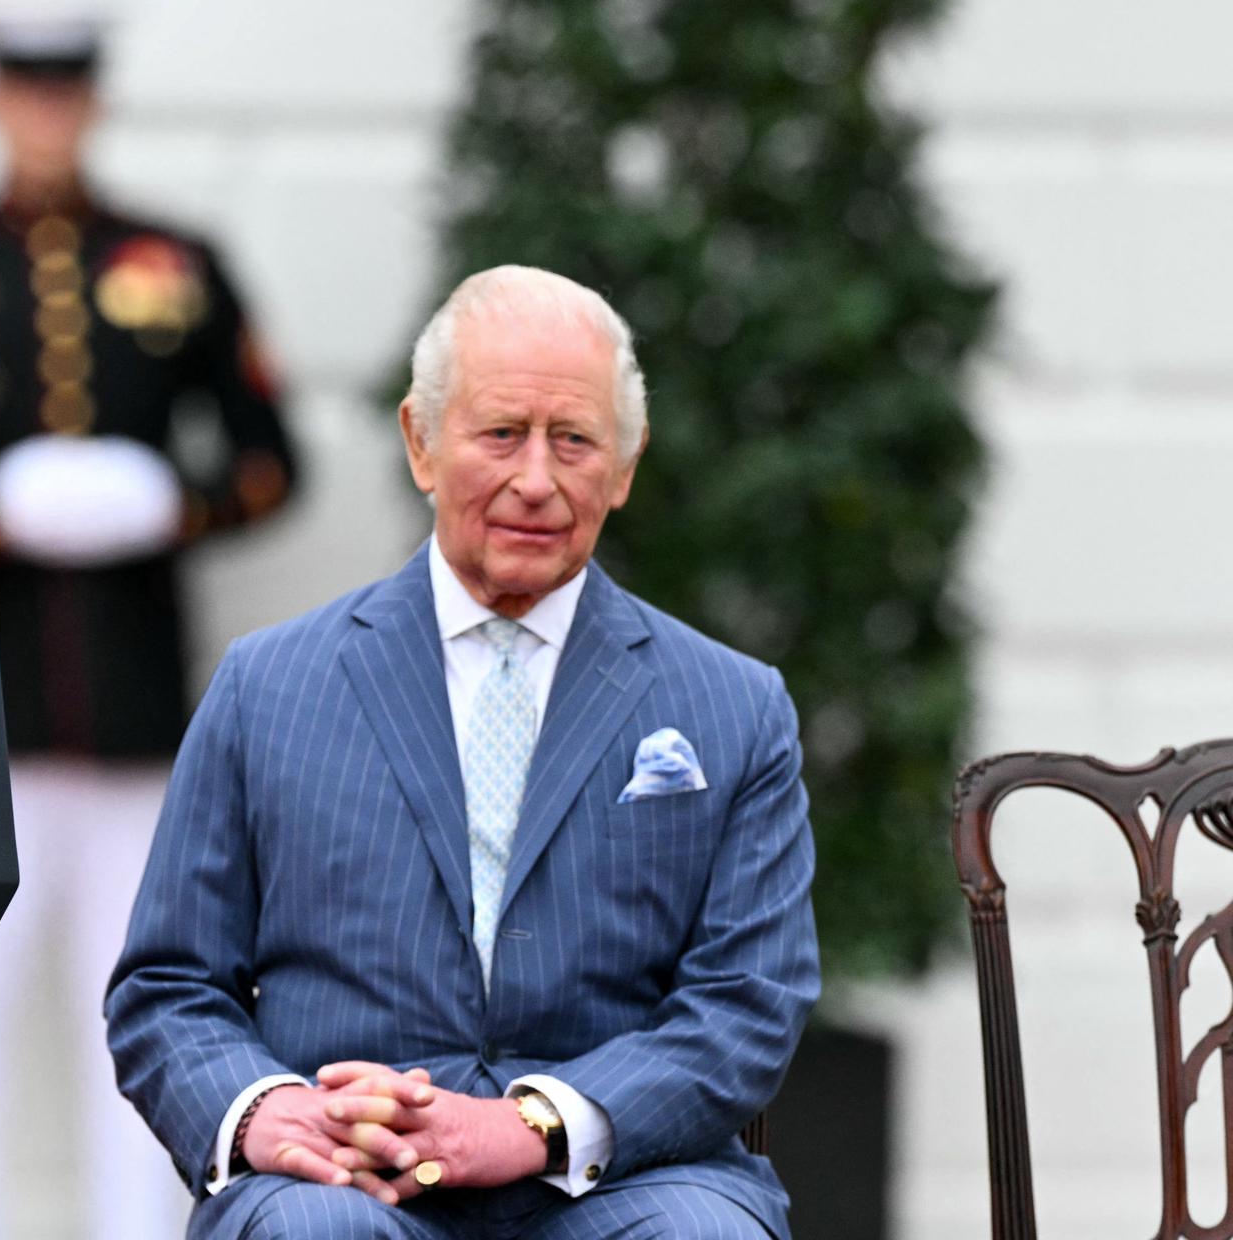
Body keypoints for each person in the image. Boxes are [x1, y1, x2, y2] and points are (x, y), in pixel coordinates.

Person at [105, 266, 818, 1240]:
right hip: (344, 1179)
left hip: (625, 1182)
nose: (536, 479)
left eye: (573, 440)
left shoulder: (733, 706)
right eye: (500, 433)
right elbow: (168, 987)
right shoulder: (266, 687)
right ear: (420, 441)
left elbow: (746, 1000)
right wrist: (266, 1109)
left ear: (626, 463)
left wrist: (529, 1125)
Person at [0, 14, 299, 1239]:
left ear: (90, 107)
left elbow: (272, 460)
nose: (45, 120)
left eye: (64, 99)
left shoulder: (178, 259)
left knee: (148, 1036)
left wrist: (172, 501)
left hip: (134, 720)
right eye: (26, 97)